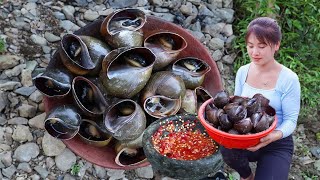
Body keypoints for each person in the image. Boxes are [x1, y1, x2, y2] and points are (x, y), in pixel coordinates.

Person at [220, 17, 301, 180]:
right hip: (247, 137)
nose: (254, 52)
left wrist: (273, 136)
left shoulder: (289, 79)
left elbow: (291, 121)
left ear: (276, 45)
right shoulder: (243, 71)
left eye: (262, 46)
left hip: (277, 142)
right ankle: (247, 176)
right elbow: (238, 108)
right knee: (225, 146)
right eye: (250, 46)